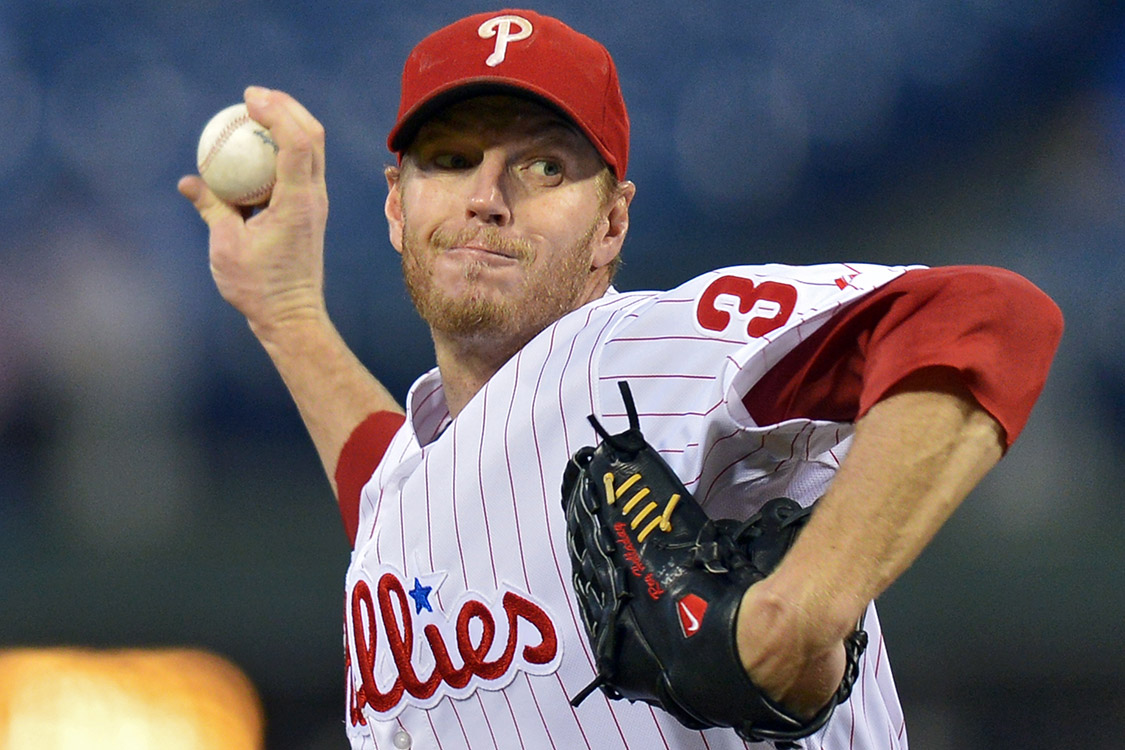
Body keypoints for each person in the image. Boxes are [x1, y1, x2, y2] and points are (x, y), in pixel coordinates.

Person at [178, 9, 1062, 749]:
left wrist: (796, 614)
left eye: (542, 167)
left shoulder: (642, 350)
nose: (487, 195)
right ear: (395, 206)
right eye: (449, 160)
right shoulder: (415, 473)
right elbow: (405, 491)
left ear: (611, 225)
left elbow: (986, 317)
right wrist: (286, 313)